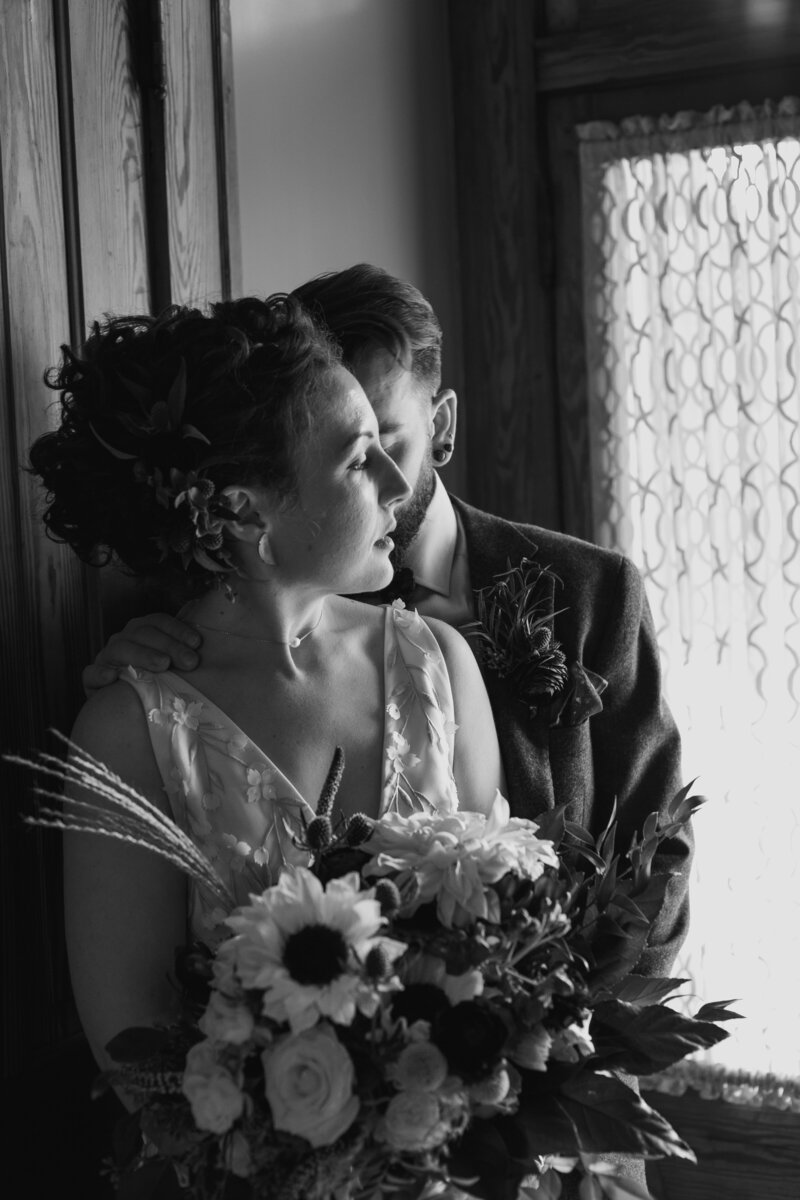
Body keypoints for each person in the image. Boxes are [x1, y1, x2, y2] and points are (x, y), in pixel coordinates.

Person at [86, 266, 692, 986]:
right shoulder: (161, 656)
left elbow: (656, 860)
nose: (391, 488)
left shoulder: (585, 595)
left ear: (441, 426)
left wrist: (570, 1054)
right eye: (350, 454)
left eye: (388, 440)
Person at [29, 294, 505, 1086]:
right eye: (358, 459)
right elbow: (140, 1062)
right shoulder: (130, 732)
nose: (398, 481)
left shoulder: (440, 664)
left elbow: (516, 930)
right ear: (245, 510)